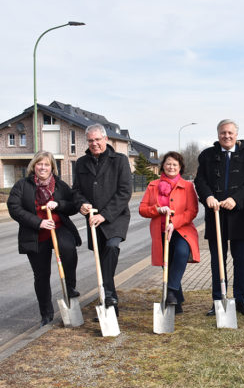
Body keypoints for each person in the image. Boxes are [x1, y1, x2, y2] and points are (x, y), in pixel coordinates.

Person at [8, 151, 82, 327]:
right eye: (39, 164)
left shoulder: (60, 186)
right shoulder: (22, 185)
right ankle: (46, 314)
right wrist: (38, 223)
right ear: (34, 166)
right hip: (36, 234)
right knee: (41, 275)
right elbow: (14, 208)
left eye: (47, 164)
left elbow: (73, 206)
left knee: (69, 249)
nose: (43, 167)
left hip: (59, 229)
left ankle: (70, 287)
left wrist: (59, 204)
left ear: (52, 168)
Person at [194, 119, 244, 316]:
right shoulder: (206, 156)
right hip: (216, 215)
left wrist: (236, 199)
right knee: (217, 261)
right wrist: (208, 197)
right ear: (218, 134)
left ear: (236, 134)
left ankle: (241, 301)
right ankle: (218, 300)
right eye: (223, 133)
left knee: (240, 261)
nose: (227, 136)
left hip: (242, 215)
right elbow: (200, 180)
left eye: (230, 133)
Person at [73, 123, 132, 314]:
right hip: (92, 220)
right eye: (90, 140)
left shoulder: (120, 160)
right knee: (101, 258)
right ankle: (110, 299)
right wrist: (81, 204)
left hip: (116, 218)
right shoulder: (81, 163)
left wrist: (104, 215)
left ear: (106, 139)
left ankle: (108, 294)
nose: (94, 143)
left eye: (98, 139)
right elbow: (76, 191)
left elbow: (125, 192)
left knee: (112, 247)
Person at [139, 151, 200, 314]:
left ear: (180, 167)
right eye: (168, 164)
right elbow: (142, 209)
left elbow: (192, 210)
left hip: (182, 230)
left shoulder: (187, 186)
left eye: (175, 164)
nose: (171, 167)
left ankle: (170, 290)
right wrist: (157, 209)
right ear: (163, 166)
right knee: (168, 264)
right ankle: (176, 302)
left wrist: (174, 222)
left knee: (180, 253)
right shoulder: (153, 186)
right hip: (160, 231)